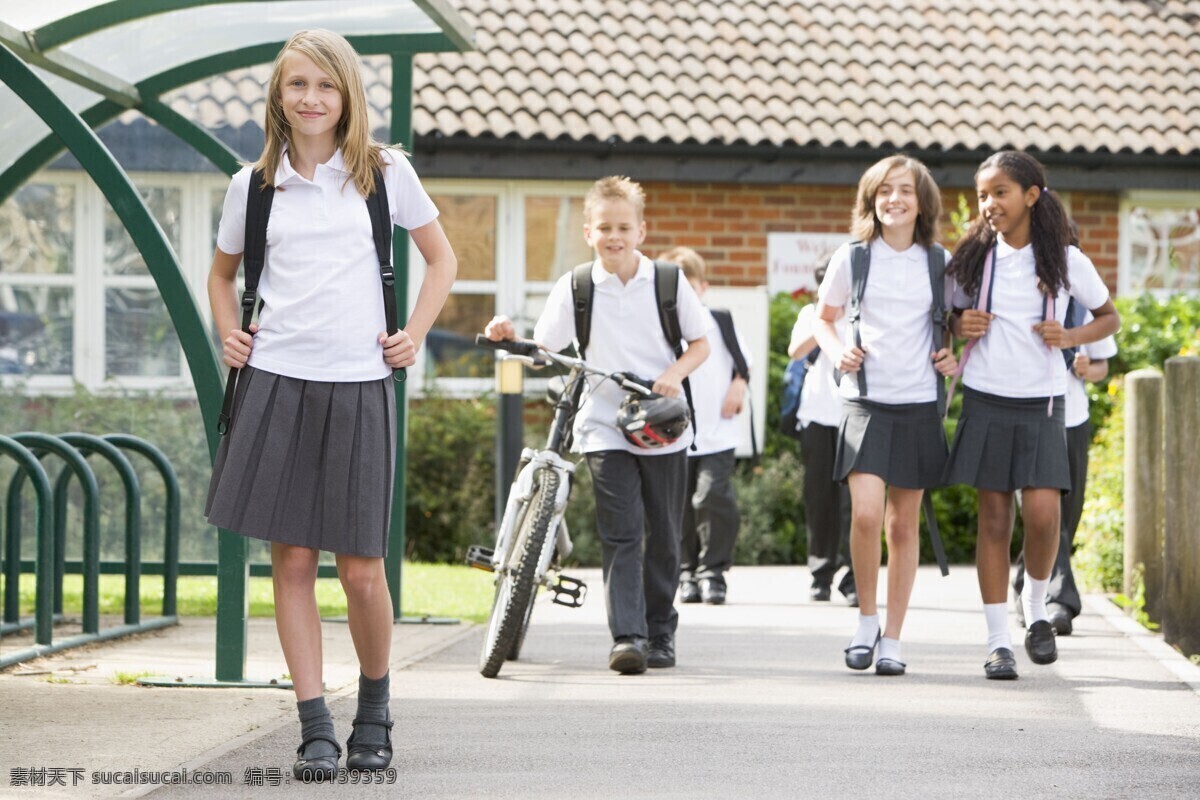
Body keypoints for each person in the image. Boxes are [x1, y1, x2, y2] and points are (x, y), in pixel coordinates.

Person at [204, 29, 456, 780]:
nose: (310, 98)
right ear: (278, 97)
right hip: (276, 379)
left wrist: (412, 334)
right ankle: (314, 724)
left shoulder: (385, 173)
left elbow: (442, 259)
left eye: (325, 85)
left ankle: (373, 708)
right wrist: (229, 334)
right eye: (296, 85)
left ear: (347, 94)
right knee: (291, 562)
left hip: (359, 383)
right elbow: (222, 276)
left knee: (362, 573)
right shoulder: (252, 185)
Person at [483, 176, 710, 675]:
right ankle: (628, 638)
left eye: (623, 227)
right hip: (603, 423)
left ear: (641, 231)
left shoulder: (669, 282)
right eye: (604, 227)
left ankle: (661, 633)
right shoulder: (578, 285)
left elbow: (700, 343)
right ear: (589, 232)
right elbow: (544, 352)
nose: (614, 236)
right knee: (622, 530)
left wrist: (673, 375)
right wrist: (509, 337)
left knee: (665, 534)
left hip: (661, 423)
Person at [944, 150, 1120, 680]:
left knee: (1045, 518)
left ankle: (1036, 608)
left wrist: (1070, 336)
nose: (989, 204)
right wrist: (959, 323)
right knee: (994, 521)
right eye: (982, 195)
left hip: (1044, 403)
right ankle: (998, 641)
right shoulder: (972, 258)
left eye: (1000, 192)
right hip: (986, 397)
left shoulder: (1065, 260)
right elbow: (945, 318)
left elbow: (1109, 317)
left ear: (1031, 195)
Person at [812, 154, 958, 677]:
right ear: (871, 200)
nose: (893, 199)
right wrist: (836, 353)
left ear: (923, 203)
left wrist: (953, 356)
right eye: (884, 191)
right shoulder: (852, 258)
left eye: (905, 191)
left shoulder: (940, 261)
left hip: (919, 406)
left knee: (902, 526)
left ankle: (893, 639)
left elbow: (961, 326)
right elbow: (822, 319)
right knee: (868, 514)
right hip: (865, 402)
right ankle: (866, 621)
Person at [1013, 310, 1117, 635]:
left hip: (1073, 418)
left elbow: (1103, 365)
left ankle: (1025, 585)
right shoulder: (1022, 294)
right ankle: (1059, 601)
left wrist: (1089, 369)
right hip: (1029, 416)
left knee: (1068, 515)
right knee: (1043, 513)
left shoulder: (1085, 305)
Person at [660, 246, 748, 606]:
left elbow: (744, 362)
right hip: (673, 434)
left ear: (703, 287)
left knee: (711, 496)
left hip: (718, 432)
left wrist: (739, 384)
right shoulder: (662, 325)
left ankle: (714, 572)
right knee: (679, 504)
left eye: (690, 285)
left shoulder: (719, 320)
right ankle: (686, 571)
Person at [788, 262, 856, 606]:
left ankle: (854, 576)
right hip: (817, 417)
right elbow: (795, 351)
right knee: (820, 499)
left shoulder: (862, 312)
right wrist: (824, 321)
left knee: (855, 501)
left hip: (855, 416)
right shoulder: (811, 313)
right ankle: (821, 574)